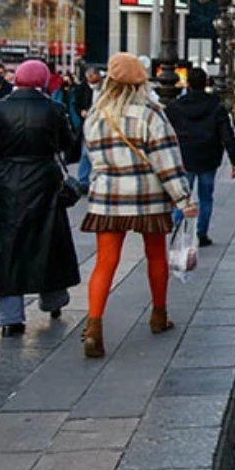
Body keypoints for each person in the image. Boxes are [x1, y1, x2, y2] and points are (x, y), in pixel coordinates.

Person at [79, 53, 196, 358]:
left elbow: (93, 159)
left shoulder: (96, 114)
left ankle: (94, 326)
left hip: (107, 198)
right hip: (148, 197)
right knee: (155, 255)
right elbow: (167, 162)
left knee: (106, 262)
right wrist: (183, 199)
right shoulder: (151, 114)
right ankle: (158, 315)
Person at [0, 60, 79, 337]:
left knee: (6, 250)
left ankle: (11, 319)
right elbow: (69, 146)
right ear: (42, 81)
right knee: (48, 242)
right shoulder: (54, 109)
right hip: (44, 181)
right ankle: (52, 299)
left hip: (6, 182)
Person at [165, 67, 235, 247]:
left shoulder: (175, 107)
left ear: (188, 84)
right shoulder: (216, 106)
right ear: (206, 83)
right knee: (206, 197)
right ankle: (202, 234)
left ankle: (176, 228)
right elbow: (227, 134)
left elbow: (165, 132)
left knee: (182, 195)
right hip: (209, 157)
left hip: (184, 157)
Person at [74, 66, 102, 190]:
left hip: (101, 121)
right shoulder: (83, 88)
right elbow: (77, 103)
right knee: (85, 152)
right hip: (88, 122)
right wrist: (81, 111)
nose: (90, 81)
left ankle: (93, 178)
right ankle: (83, 181)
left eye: (92, 78)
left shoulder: (105, 89)